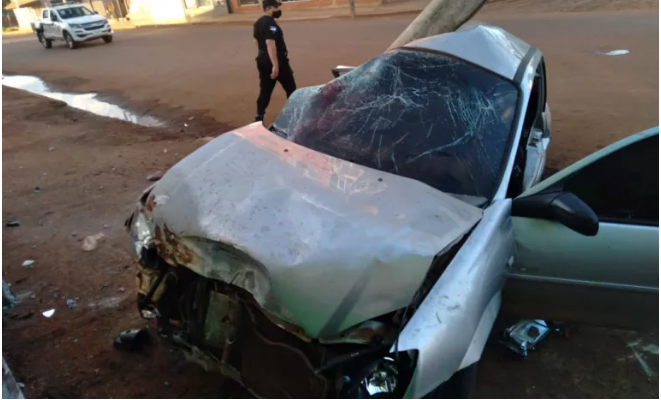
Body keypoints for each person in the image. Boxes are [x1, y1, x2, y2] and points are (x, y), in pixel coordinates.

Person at [253, 0, 296, 122]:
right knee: (291, 89)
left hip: (263, 60)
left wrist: (262, 56)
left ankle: (259, 116)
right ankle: (294, 115)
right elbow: (270, 43)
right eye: (275, 7)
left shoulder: (258, 23)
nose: (278, 10)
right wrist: (275, 65)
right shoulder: (270, 24)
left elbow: (257, 41)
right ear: (268, 9)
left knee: (265, 90)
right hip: (277, 61)